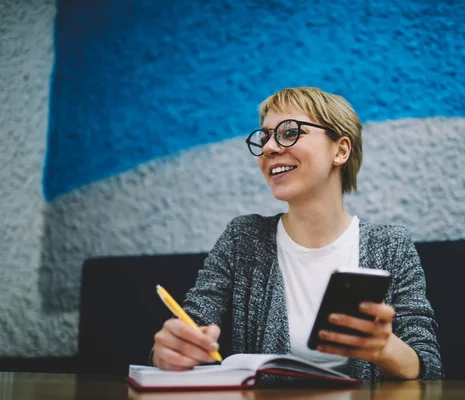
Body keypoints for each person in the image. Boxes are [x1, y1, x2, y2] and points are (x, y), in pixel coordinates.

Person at [152, 87, 443, 380]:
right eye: (265, 137)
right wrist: (169, 350)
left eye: (289, 133)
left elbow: (429, 366)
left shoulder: (390, 245)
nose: (268, 148)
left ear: (340, 150)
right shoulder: (243, 239)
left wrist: (384, 349)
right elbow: (191, 324)